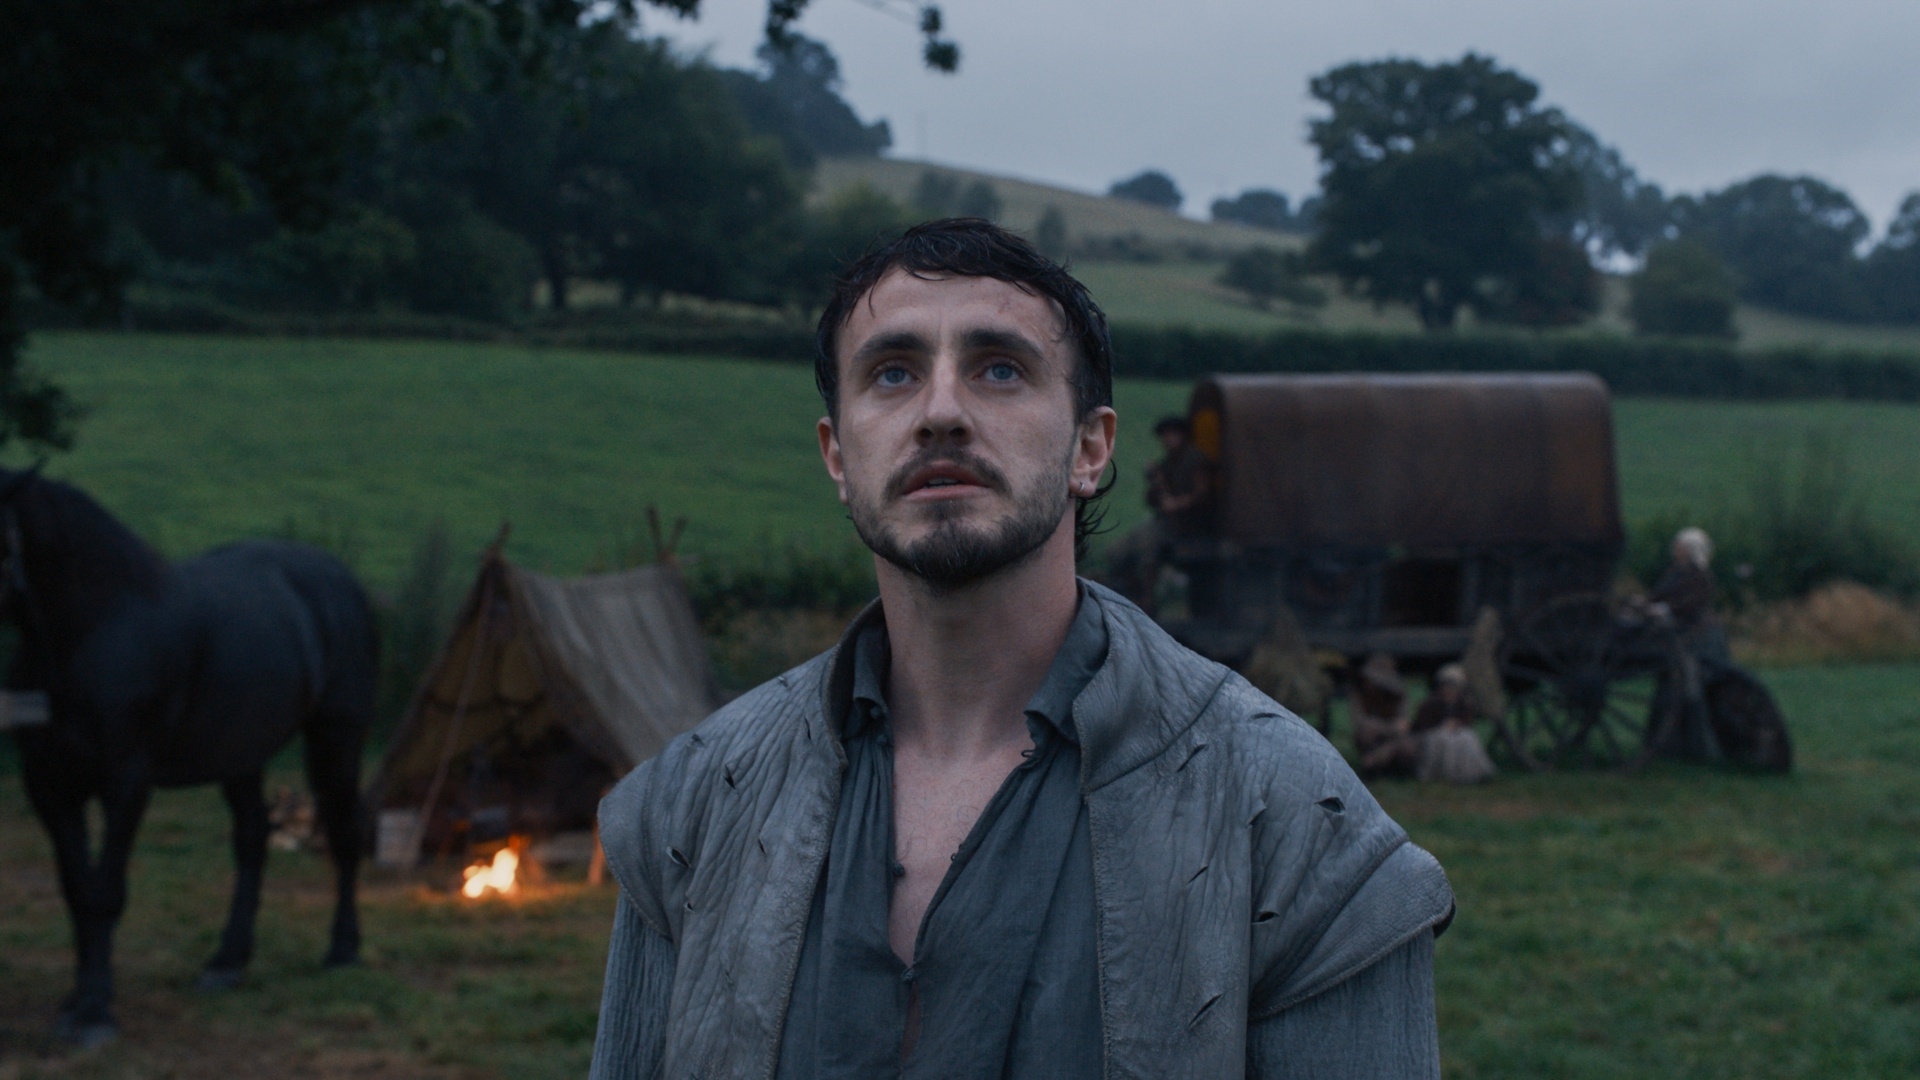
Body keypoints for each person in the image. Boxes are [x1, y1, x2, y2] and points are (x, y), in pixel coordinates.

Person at [589, 220, 1452, 1079]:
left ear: (1089, 447)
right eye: (893, 373)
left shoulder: (1290, 819)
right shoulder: (692, 806)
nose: (941, 413)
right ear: (838, 456)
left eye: (1000, 368)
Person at [1105, 415, 1213, 614]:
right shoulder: (1166, 464)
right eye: (1165, 435)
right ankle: (1135, 597)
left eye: (1173, 434)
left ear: (1183, 435)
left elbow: (1202, 495)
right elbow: (1154, 501)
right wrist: (1155, 482)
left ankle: (1147, 600)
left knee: (1148, 545)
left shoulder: (1195, 460)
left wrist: (1177, 504)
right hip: (1165, 522)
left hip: (1190, 525)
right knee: (1117, 552)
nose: (1168, 439)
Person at [1411, 665, 1496, 785]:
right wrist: (1443, 726)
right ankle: (1445, 774)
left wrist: (1456, 724)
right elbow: (1422, 725)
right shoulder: (1430, 704)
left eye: (1454, 687)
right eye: (1447, 686)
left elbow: (1466, 721)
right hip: (1432, 735)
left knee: (1468, 737)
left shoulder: (1463, 704)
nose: (1450, 690)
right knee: (1445, 739)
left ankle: (1473, 773)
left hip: (1456, 733)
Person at [1350, 652, 1421, 779]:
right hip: (1376, 735)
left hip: (1394, 738)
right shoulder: (1360, 695)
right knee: (1367, 734)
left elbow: (1403, 724)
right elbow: (1361, 722)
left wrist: (1381, 752)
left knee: (1406, 747)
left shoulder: (1398, 695)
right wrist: (1386, 728)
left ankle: (1377, 762)